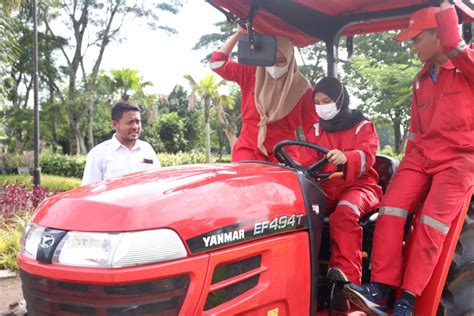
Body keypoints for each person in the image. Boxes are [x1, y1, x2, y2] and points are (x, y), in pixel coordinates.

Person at [345, 1, 474, 315]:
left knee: (431, 223)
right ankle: (380, 288)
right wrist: (407, 166)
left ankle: (408, 300)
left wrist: (446, 10)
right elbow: (416, 131)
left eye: (417, 38)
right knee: (389, 208)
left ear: (438, 34)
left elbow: (456, 47)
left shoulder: (467, 65)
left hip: (460, 158)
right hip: (422, 156)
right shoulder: (420, 80)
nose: (412, 45)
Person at [297, 77, 383, 312]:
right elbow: (306, 160)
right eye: (317, 102)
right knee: (298, 213)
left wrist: (348, 157)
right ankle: (304, 279)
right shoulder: (315, 129)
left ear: (340, 99)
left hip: (359, 186)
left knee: (344, 213)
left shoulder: (362, 126)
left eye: (327, 100)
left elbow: (367, 155)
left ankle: (348, 286)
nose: (322, 106)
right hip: (326, 188)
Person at [210, 26, 316, 162]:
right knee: (245, 180)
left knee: (286, 181)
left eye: (281, 61)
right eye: (271, 60)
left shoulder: (302, 89)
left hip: (284, 151)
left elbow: (313, 129)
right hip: (248, 146)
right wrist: (238, 34)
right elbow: (217, 64)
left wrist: (309, 162)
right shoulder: (250, 71)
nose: (274, 66)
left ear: (290, 60)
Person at [81, 102, 160, 186]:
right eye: (130, 122)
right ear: (114, 124)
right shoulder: (98, 154)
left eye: (138, 122)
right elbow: (89, 190)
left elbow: (159, 181)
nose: (135, 127)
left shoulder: (147, 149)